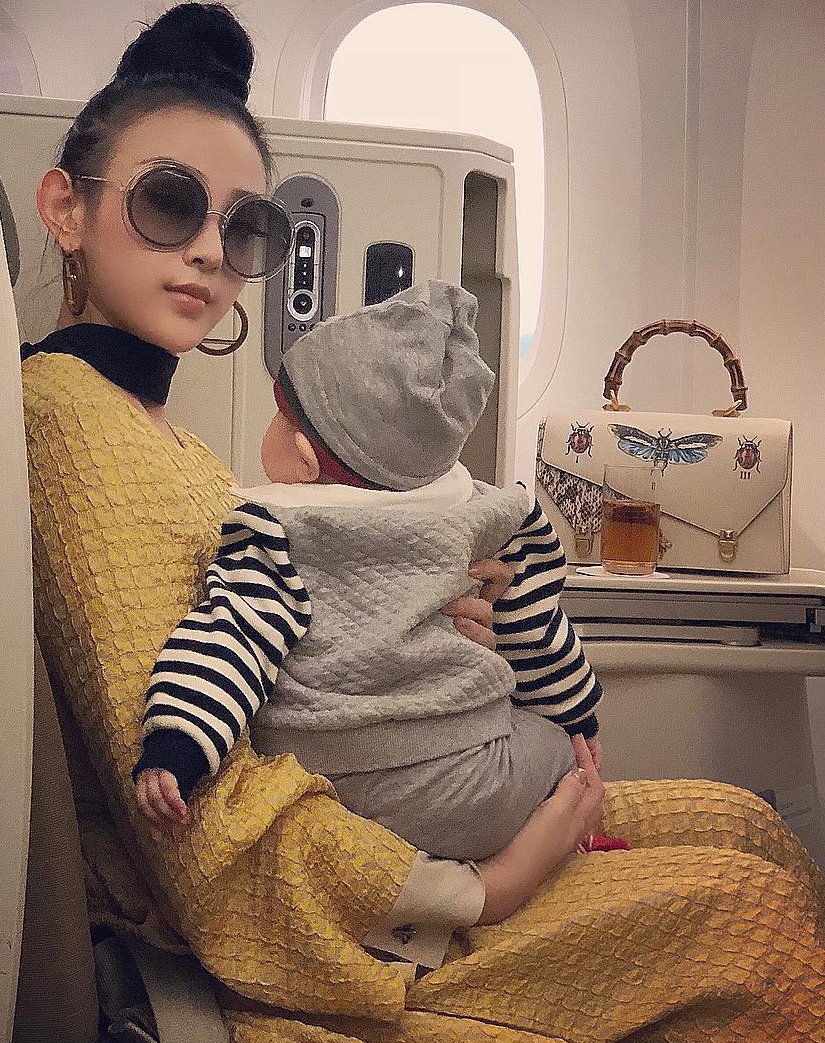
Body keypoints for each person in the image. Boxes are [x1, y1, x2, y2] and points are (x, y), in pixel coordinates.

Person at [22, 0, 825, 1043]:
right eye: (168, 202)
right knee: (753, 916)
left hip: (368, 801)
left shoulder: (160, 431)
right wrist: (487, 888)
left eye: (244, 227)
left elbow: (292, 641)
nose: (210, 249)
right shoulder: (70, 423)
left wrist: (441, 636)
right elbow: (201, 819)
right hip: (311, 907)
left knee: (746, 822)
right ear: (65, 207)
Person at [133, 279, 619, 918]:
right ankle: (567, 839)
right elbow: (536, 628)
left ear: (303, 457)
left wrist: (177, 745)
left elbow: (229, 637)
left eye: (278, 415)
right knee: (556, 746)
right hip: (473, 783)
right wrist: (577, 719)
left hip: (332, 782)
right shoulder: (485, 515)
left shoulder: (281, 531)